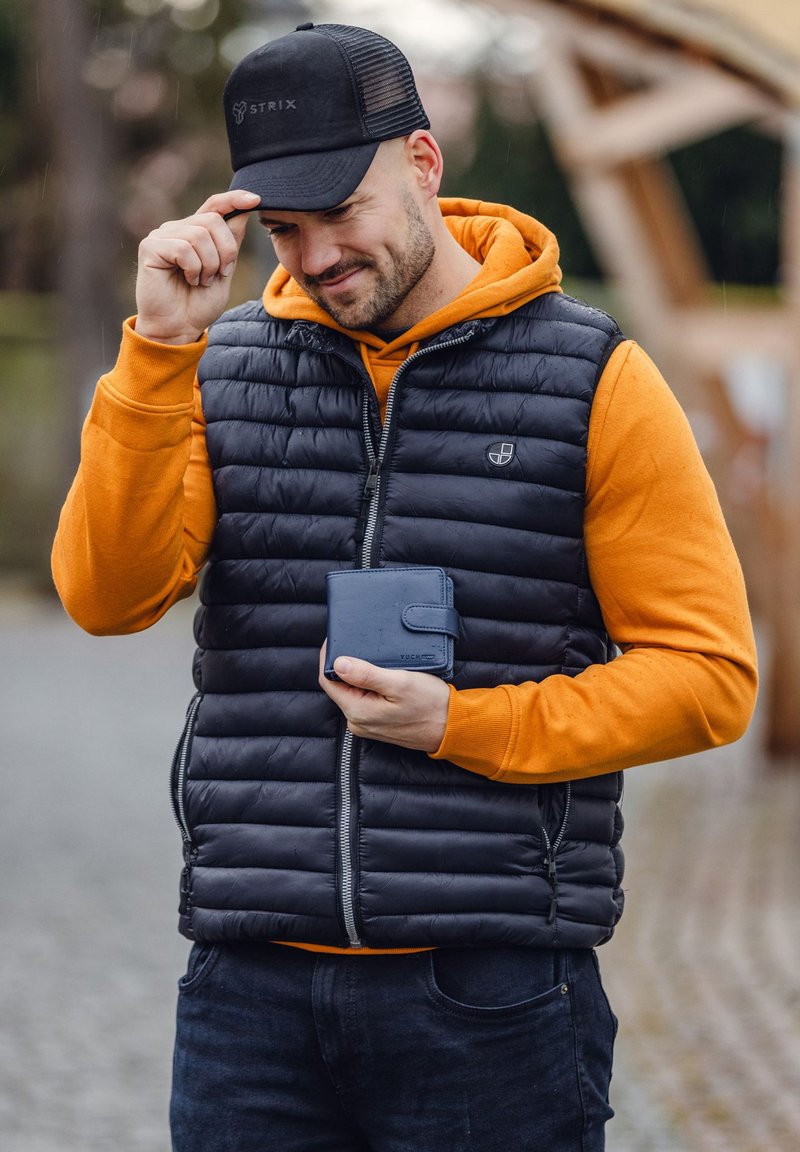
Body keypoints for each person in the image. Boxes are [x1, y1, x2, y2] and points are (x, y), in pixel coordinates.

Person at [52, 21, 757, 1152]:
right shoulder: (215, 367)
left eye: (343, 211)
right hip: (248, 995)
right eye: (283, 229)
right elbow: (105, 595)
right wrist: (156, 353)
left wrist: (462, 726)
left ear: (423, 164)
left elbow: (707, 680)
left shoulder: (592, 379)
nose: (316, 256)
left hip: (491, 997)